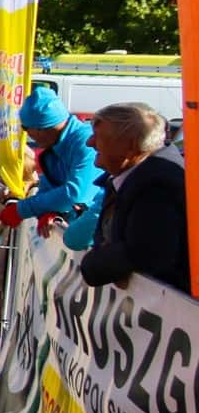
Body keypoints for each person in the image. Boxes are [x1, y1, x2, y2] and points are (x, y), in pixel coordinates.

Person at [80, 103, 189, 293]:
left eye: (98, 136)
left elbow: (146, 252)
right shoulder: (137, 176)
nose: (89, 142)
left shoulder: (156, 186)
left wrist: (93, 265)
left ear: (130, 147)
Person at [1, 87, 103, 234]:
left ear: (41, 127)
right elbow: (48, 189)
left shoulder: (85, 143)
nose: (27, 134)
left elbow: (75, 194)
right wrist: (49, 211)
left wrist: (21, 210)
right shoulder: (55, 147)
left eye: (25, 127)